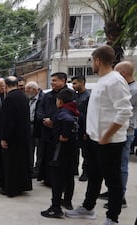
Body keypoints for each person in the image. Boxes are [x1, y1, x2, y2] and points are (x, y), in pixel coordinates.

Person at [65, 46, 132, 225]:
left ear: (97, 60)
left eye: (91, 60)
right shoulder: (103, 80)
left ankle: (112, 218)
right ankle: (88, 208)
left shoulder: (115, 80)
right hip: (95, 140)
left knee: (113, 181)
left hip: (109, 142)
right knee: (94, 176)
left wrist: (106, 135)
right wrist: (90, 133)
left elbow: (125, 112)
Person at [99, 61, 137, 209]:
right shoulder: (126, 87)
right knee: (114, 165)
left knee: (121, 166)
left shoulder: (133, 90)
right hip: (117, 130)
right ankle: (113, 191)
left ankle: (120, 198)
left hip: (126, 131)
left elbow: (121, 110)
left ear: (122, 73)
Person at [41, 89, 80, 218]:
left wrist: (64, 135)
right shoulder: (77, 112)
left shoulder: (63, 113)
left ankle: (55, 207)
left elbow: (67, 121)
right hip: (73, 150)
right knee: (69, 176)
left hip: (60, 150)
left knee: (57, 178)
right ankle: (67, 201)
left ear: (60, 101)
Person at [0, 76, 32, 197]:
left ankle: (11, 188)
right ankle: (21, 186)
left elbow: (8, 121)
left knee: (11, 164)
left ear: (6, 86)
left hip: (12, 138)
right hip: (22, 136)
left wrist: (4, 137)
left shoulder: (9, 99)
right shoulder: (23, 97)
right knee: (20, 163)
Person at [36, 72, 71, 186]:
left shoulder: (69, 95)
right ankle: (47, 179)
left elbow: (70, 112)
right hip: (46, 131)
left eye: (55, 80)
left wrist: (53, 121)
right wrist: (44, 120)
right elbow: (40, 109)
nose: (52, 83)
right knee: (46, 155)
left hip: (61, 132)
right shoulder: (47, 95)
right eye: (52, 81)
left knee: (59, 157)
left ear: (63, 81)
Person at [71, 75, 90, 181]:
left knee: (85, 152)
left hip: (84, 127)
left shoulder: (88, 96)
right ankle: (74, 169)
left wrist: (87, 131)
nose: (73, 86)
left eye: (75, 83)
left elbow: (89, 114)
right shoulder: (75, 96)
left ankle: (85, 172)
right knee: (74, 150)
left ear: (82, 82)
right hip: (75, 126)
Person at [25, 81, 45, 178]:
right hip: (29, 125)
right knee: (29, 148)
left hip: (38, 126)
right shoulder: (28, 98)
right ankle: (30, 168)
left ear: (34, 90)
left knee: (40, 149)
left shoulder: (43, 98)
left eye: (27, 90)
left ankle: (38, 170)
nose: (26, 92)